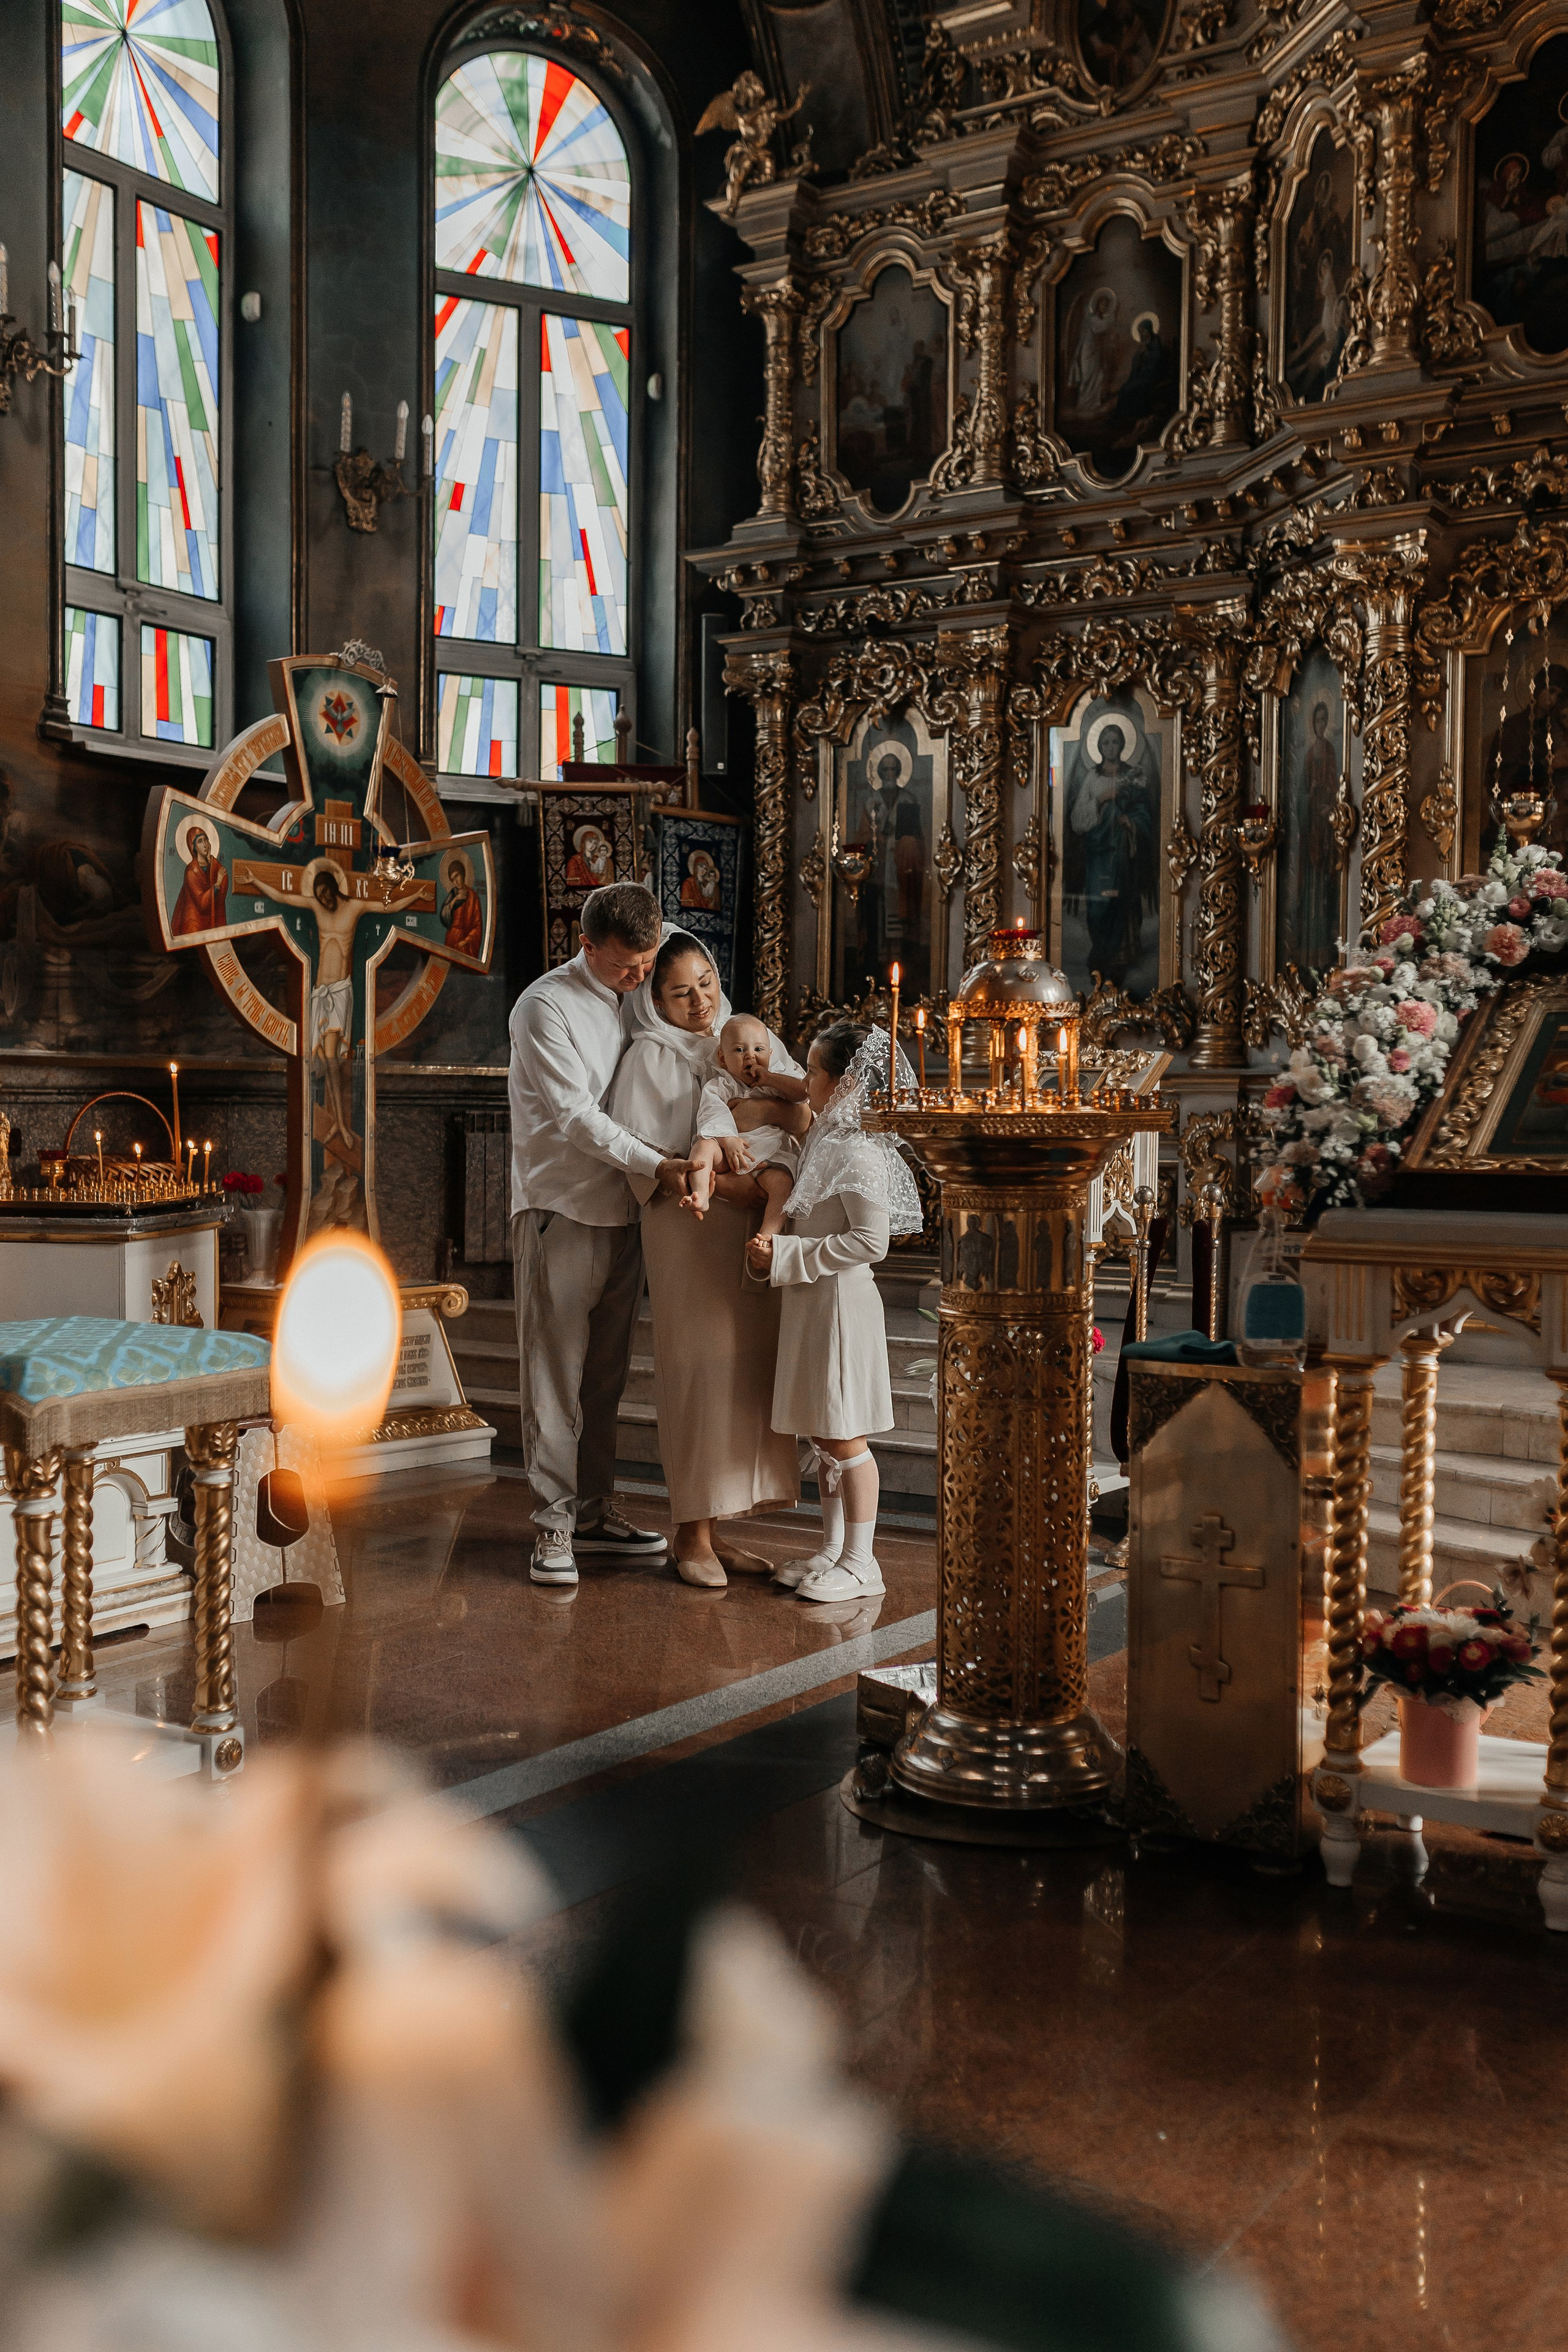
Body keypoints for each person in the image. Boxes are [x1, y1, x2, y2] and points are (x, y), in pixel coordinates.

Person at [606, 933, 803, 1588]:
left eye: (707, 982)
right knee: (697, 1376)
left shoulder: (744, 1042)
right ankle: (689, 1533)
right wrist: (716, 1182)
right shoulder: (647, 1059)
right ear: (653, 1000)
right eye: (679, 992)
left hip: (747, 1227)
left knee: (741, 1376)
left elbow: (800, 1112)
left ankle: (720, 1528)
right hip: (689, 1229)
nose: (699, 1001)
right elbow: (641, 1157)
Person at [508, 881, 688, 1588]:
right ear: (586, 946)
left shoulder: (640, 981)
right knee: (555, 1379)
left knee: (606, 1379)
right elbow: (575, 1117)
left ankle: (594, 1511)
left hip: (629, 1210)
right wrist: (661, 1165)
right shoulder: (543, 1006)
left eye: (646, 964)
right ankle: (552, 1525)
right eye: (624, 967)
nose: (640, 979)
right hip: (562, 1207)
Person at [747, 1022, 922, 1604]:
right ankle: (832, 1548)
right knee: (823, 1432)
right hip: (813, 1299)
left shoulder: (857, 1149)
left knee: (846, 1436)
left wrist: (790, 1254)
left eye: (813, 1071)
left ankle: (861, 1560)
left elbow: (871, 1242)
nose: (805, 1080)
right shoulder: (830, 1134)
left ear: (843, 1081)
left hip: (841, 1303)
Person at [685, 1011, 810, 1234]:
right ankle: (701, 1194)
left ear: (770, 1055)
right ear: (722, 1058)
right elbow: (711, 1114)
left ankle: (767, 1235)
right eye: (740, 1050)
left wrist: (771, 1078)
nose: (751, 1057)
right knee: (703, 1147)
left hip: (769, 1155)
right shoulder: (721, 1085)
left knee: (783, 1185)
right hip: (729, 1153)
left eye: (759, 1050)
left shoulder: (774, 1080)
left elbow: (802, 1093)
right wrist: (728, 1140)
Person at [171, 825, 228, 936]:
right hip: (194, 922)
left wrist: (221, 881)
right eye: (200, 842)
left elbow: (223, 877)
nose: (205, 845)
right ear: (194, 847)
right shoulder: (191, 872)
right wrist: (217, 885)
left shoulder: (214, 865)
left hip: (209, 919)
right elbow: (202, 903)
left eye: (206, 840)